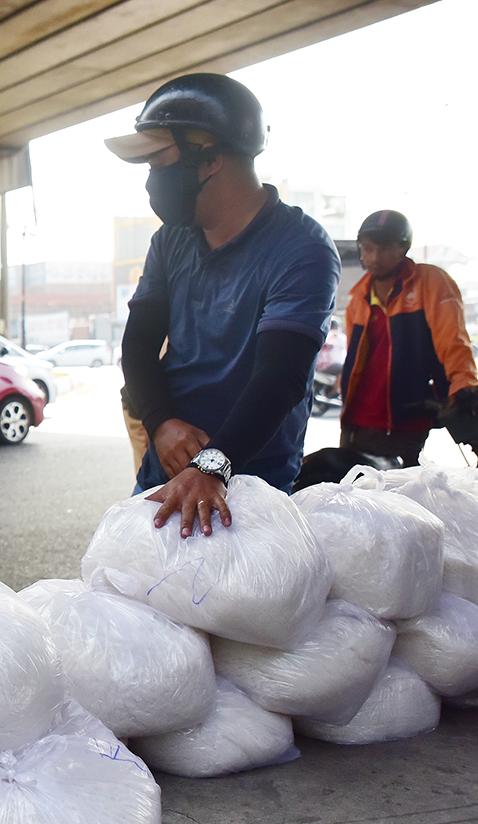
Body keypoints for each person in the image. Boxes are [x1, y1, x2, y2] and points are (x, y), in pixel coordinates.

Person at [105, 73, 340, 536]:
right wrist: (161, 423)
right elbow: (137, 346)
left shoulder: (301, 248)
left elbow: (281, 377)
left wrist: (212, 465)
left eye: (158, 161)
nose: (153, 179)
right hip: (167, 467)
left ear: (209, 157)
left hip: (248, 484)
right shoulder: (171, 240)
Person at [338, 210, 478, 464]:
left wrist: (464, 383)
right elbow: (355, 359)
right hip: (355, 421)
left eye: (383, 249)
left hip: (406, 420)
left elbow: (452, 340)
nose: (373, 258)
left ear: (404, 247)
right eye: (367, 249)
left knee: (398, 495)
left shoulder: (431, 282)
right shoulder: (358, 297)